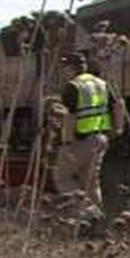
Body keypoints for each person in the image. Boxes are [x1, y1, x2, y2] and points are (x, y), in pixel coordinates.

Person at [53, 53, 121, 219]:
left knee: (62, 177)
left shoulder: (73, 86)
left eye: (65, 68)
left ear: (71, 68)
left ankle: (87, 213)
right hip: (100, 137)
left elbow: (70, 116)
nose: (63, 72)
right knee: (90, 182)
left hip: (80, 140)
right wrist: (117, 129)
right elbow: (118, 105)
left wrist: (67, 143)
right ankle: (96, 220)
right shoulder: (102, 84)